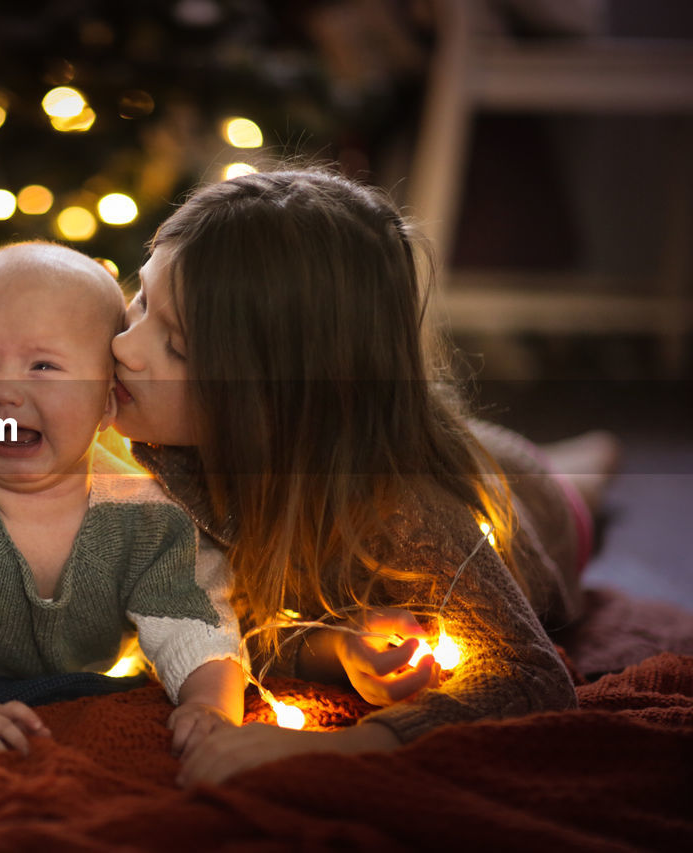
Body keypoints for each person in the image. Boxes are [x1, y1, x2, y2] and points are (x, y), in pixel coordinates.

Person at [108, 168, 618, 786]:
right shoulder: (167, 447)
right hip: (448, 443)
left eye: (178, 348)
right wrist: (338, 645)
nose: (126, 348)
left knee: (573, 486)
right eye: (140, 301)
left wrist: (349, 749)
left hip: (530, 499)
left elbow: (530, 675)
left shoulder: (405, 508)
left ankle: (594, 460)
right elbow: (243, 620)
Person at [0, 241, 245, 760]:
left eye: (43, 366)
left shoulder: (148, 514)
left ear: (108, 403)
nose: (3, 393)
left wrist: (211, 702)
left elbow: (194, 616)